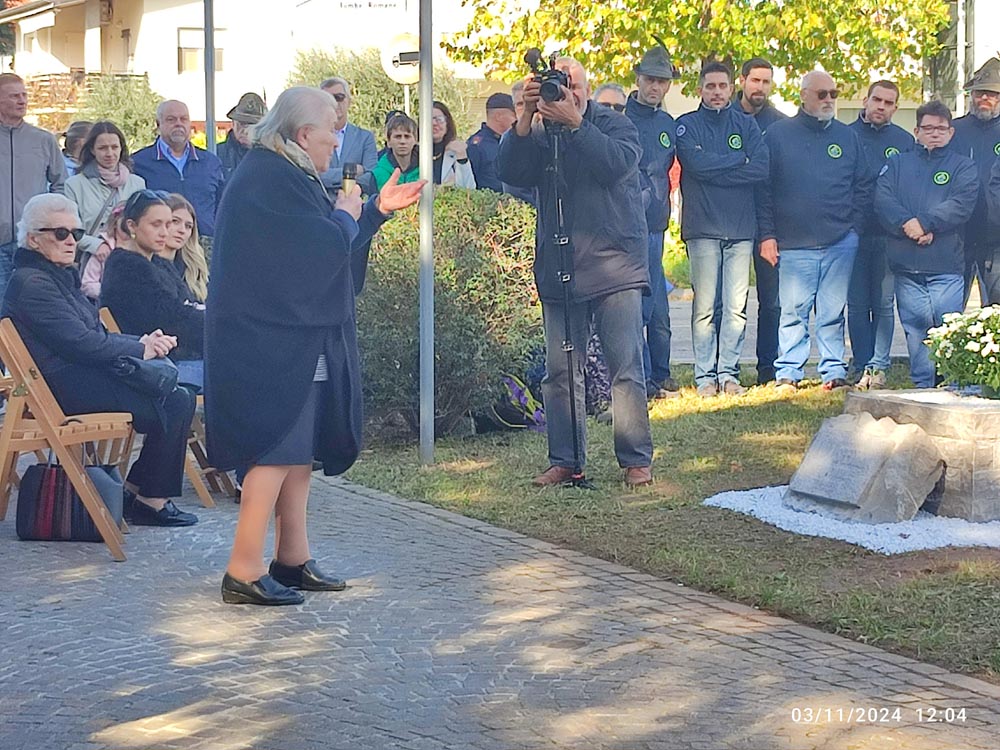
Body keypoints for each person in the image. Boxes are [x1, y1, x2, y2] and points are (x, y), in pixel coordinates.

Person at [206, 86, 424, 606]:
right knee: (273, 451)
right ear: (304, 134)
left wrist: (374, 211)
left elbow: (329, 246)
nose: (336, 141)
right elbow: (318, 246)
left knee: (298, 453)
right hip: (269, 340)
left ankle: (292, 558)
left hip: (295, 334)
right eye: (331, 130)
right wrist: (348, 213)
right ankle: (243, 568)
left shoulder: (285, 171)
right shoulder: (268, 177)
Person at [498, 57, 654, 488]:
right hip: (560, 265)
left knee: (625, 369)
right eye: (558, 86)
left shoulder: (615, 124)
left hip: (614, 265)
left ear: (587, 88)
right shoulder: (540, 133)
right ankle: (565, 460)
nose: (568, 93)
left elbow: (615, 165)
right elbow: (510, 171)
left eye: (575, 85)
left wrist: (576, 124)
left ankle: (635, 460)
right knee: (560, 373)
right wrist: (525, 118)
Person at [2, 193, 197, 527]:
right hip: (64, 388)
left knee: (177, 394)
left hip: (77, 377)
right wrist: (141, 349)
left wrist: (141, 342)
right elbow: (81, 343)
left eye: (76, 233)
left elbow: (94, 335)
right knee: (175, 399)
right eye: (60, 233)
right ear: (33, 239)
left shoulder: (55, 276)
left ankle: (138, 493)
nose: (71, 241)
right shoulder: (34, 283)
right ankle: (150, 500)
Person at [758, 71, 872, 392]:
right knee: (793, 312)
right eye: (822, 94)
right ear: (804, 95)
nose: (829, 100)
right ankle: (788, 372)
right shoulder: (777, 135)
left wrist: (854, 229)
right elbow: (763, 190)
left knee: (832, 313)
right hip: (793, 242)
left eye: (833, 94)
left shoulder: (848, 137)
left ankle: (833, 370)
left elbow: (863, 185)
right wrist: (767, 235)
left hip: (840, 241)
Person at [676, 61, 768, 398]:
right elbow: (696, 165)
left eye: (722, 86)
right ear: (700, 89)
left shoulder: (746, 125)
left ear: (732, 88)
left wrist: (716, 170)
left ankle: (728, 373)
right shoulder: (686, 125)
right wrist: (738, 159)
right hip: (702, 227)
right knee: (705, 307)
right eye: (710, 86)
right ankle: (705, 377)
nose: (717, 92)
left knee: (735, 309)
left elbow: (761, 168)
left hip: (741, 229)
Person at [874, 101, 978, 388]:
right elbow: (883, 200)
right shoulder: (898, 164)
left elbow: (961, 203)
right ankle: (923, 385)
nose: (935, 133)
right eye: (928, 128)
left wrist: (926, 223)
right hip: (907, 264)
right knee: (916, 331)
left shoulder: (963, 166)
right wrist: (907, 224)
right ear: (916, 131)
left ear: (951, 132)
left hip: (945, 264)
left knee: (947, 329)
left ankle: (951, 384)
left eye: (941, 128)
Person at [100, 191, 206, 389]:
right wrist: (219, 326)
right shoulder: (126, 267)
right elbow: (171, 320)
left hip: (176, 357)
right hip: (154, 366)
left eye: (168, 224)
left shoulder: (157, 263)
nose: (164, 232)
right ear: (132, 226)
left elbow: (186, 307)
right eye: (156, 225)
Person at [847, 80, 914, 390]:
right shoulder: (846, 135)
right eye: (877, 100)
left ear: (895, 108)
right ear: (866, 100)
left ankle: (879, 365)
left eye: (888, 103)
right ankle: (861, 362)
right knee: (858, 303)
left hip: (889, 235)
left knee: (884, 303)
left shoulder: (903, 141)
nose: (881, 107)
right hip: (853, 234)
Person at [626, 42, 680, 399]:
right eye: (650, 80)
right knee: (640, 307)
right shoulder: (621, 119)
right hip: (630, 223)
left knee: (659, 307)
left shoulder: (667, 124)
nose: (655, 87)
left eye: (661, 82)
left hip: (658, 222)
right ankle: (642, 377)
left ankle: (661, 371)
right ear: (638, 79)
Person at [738, 57, 787, 384]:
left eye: (766, 82)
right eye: (755, 80)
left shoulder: (780, 125)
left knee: (771, 302)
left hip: (769, 224)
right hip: (730, 220)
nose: (760, 87)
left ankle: (767, 368)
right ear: (742, 81)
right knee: (728, 304)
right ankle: (722, 370)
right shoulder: (725, 116)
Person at [0, 73, 67, 300]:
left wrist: (49, 223)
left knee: (33, 305)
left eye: (24, 95)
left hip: (33, 243)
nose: (22, 101)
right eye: (14, 96)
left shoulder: (43, 140)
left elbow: (61, 185)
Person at [132, 100, 225, 240]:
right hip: (160, 244)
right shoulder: (139, 163)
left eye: (184, 119)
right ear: (158, 124)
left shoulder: (210, 162)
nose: (178, 124)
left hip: (204, 245)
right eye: (171, 119)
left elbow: (222, 206)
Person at [64, 121, 146, 269]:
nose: (109, 153)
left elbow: (143, 225)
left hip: (129, 262)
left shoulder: (137, 183)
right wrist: (96, 245)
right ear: (92, 150)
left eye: (114, 147)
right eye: (102, 148)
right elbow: (69, 229)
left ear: (121, 148)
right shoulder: (74, 185)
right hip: (90, 263)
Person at [951, 57, 1000, 304]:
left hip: (996, 239)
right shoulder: (953, 130)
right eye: (980, 92)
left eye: (992, 94)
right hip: (958, 235)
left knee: (995, 312)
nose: (985, 98)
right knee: (950, 312)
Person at [318, 77, 379, 195]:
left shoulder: (365, 138)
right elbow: (314, 176)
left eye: (339, 97)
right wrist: (351, 172)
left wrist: (331, 178)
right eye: (328, 99)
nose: (335, 103)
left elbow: (371, 177)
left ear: (349, 101)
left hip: (354, 202)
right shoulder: (313, 137)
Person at [162, 193, 209, 304]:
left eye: (188, 226)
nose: (182, 230)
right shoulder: (143, 265)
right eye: (175, 221)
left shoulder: (193, 267)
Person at [467, 92, 517, 192]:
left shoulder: (512, 141)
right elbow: (468, 182)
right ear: (499, 116)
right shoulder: (477, 146)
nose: (517, 120)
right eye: (514, 115)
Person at [80, 202, 128, 301]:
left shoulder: (141, 248)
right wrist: (111, 292)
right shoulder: (105, 249)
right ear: (115, 223)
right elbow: (87, 283)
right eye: (125, 225)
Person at [218, 92, 267, 183]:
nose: (245, 130)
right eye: (241, 124)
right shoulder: (216, 154)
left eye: (252, 125)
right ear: (233, 123)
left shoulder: (273, 157)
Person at [502, 81, 537, 205]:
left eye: (532, 102)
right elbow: (515, 190)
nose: (528, 108)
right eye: (521, 104)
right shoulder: (510, 140)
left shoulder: (557, 134)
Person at [431, 101, 476, 188]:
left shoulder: (455, 151)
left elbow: (469, 189)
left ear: (447, 123)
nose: (434, 124)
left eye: (439, 119)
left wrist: (462, 157)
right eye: (429, 119)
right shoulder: (414, 152)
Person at [372, 113, 420, 190]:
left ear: (415, 140)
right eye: (398, 137)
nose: (402, 141)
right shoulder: (377, 173)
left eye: (407, 136)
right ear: (389, 142)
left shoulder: (426, 170)